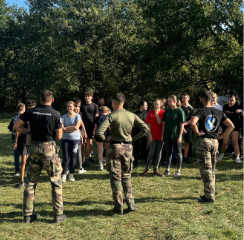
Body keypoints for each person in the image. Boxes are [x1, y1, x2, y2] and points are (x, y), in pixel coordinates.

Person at [13, 90, 66, 223]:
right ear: (52, 100)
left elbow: (16, 126)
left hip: (34, 148)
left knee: (30, 182)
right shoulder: (56, 114)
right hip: (49, 149)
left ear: (40, 99)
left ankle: (27, 215)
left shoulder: (31, 111)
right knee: (55, 182)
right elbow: (59, 136)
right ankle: (58, 215)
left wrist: (28, 131)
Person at [95, 93, 149, 215]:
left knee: (116, 178)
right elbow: (145, 129)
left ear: (114, 103)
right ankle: (131, 203)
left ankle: (118, 207)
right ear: (123, 103)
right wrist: (133, 139)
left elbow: (98, 133)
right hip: (128, 148)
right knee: (127, 176)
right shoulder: (132, 115)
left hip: (115, 148)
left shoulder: (111, 116)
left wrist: (106, 139)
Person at [191, 91, 234, 203]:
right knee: (212, 169)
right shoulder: (219, 112)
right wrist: (221, 137)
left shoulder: (201, 110)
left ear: (202, 100)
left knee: (206, 169)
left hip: (204, 141)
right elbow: (231, 126)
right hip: (215, 142)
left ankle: (209, 197)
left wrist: (197, 132)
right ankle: (210, 192)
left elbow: (192, 123)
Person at [161, 95, 185, 177]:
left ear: (175, 101)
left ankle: (178, 170)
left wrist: (180, 136)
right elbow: (164, 124)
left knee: (178, 152)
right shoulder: (167, 111)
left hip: (176, 135)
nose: (168, 102)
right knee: (168, 152)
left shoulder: (180, 111)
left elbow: (182, 124)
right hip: (167, 135)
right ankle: (167, 170)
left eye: (170, 101)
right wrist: (162, 134)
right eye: (168, 101)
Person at [16, 100, 37, 188]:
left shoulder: (37, 117)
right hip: (24, 141)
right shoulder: (23, 116)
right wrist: (16, 142)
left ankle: (33, 180)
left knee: (34, 162)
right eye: (29, 107)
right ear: (27, 108)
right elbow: (17, 129)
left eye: (32, 107)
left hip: (34, 142)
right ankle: (22, 181)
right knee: (23, 162)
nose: (31, 109)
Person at [143, 99, 165, 176]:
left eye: (157, 104)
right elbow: (148, 124)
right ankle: (147, 168)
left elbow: (160, 122)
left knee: (159, 153)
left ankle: (156, 169)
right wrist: (150, 135)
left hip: (160, 136)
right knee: (151, 153)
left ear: (160, 105)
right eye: (155, 104)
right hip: (152, 136)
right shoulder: (150, 112)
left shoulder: (163, 112)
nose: (156, 106)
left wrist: (156, 113)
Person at [61, 101, 81, 182]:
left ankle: (71, 174)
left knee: (73, 156)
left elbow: (76, 127)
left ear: (74, 107)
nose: (69, 108)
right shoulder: (63, 116)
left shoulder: (77, 116)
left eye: (71, 106)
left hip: (75, 139)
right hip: (65, 139)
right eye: (68, 106)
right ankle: (64, 174)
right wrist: (69, 129)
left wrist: (66, 129)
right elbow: (62, 128)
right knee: (66, 157)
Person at [218, 94, 242, 163]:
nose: (231, 102)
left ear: (235, 100)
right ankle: (221, 154)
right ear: (228, 100)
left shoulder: (238, 107)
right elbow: (222, 118)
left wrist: (241, 111)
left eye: (233, 100)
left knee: (235, 141)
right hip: (226, 127)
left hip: (235, 127)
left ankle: (237, 157)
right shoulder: (225, 107)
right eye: (230, 100)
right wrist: (221, 127)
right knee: (225, 143)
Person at [80, 91, 99, 164]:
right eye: (86, 96)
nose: (87, 97)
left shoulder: (95, 105)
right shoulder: (82, 106)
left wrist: (95, 127)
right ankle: (83, 159)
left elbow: (96, 117)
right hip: (83, 126)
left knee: (89, 141)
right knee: (82, 142)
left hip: (91, 126)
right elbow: (80, 116)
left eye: (88, 96)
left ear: (91, 97)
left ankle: (90, 157)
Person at [8, 103, 25, 176]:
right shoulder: (25, 117)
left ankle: (17, 171)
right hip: (23, 137)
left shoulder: (14, 118)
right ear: (24, 109)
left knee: (16, 154)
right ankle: (24, 169)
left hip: (15, 138)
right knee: (24, 154)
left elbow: (10, 129)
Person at [132, 100, 148, 168]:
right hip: (137, 134)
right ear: (141, 106)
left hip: (145, 134)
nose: (147, 106)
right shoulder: (134, 114)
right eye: (145, 105)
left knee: (145, 148)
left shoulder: (147, 113)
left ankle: (145, 161)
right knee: (136, 148)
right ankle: (136, 162)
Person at [73, 99, 87, 174]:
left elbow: (82, 123)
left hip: (80, 133)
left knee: (80, 150)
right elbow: (77, 127)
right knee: (77, 151)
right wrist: (81, 136)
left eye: (79, 109)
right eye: (76, 109)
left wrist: (85, 132)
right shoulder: (74, 116)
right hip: (76, 134)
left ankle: (79, 166)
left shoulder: (79, 115)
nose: (78, 110)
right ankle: (79, 167)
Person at [94, 106, 111, 170]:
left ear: (101, 111)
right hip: (107, 134)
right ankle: (107, 163)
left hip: (99, 135)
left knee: (100, 151)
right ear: (107, 111)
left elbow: (95, 127)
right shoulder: (109, 117)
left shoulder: (97, 118)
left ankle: (101, 165)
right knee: (107, 150)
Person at [181, 93, 194, 163]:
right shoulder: (180, 107)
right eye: (182, 98)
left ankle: (186, 158)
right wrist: (182, 127)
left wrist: (185, 124)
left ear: (188, 99)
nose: (183, 99)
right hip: (179, 127)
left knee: (187, 143)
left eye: (184, 98)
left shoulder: (191, 108)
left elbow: (192, 119)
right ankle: (177, 158)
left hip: (188, 127)